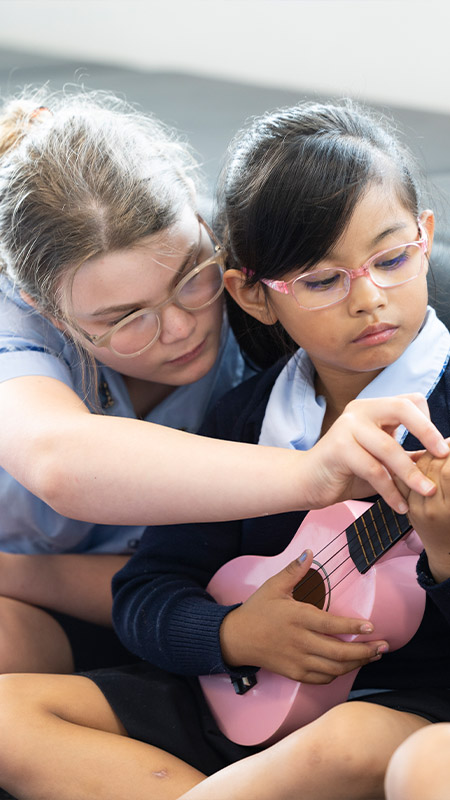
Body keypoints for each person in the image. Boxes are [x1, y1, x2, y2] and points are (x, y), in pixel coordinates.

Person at [0, 99, 448, 800]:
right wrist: (232, 634)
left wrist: (444, 556)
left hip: (384, 701)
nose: (369, 300)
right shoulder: (250, 413)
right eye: (323, 282)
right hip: (226, 687)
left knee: (350, 741)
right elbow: (144, 583)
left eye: (392, 259)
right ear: (259, 295)